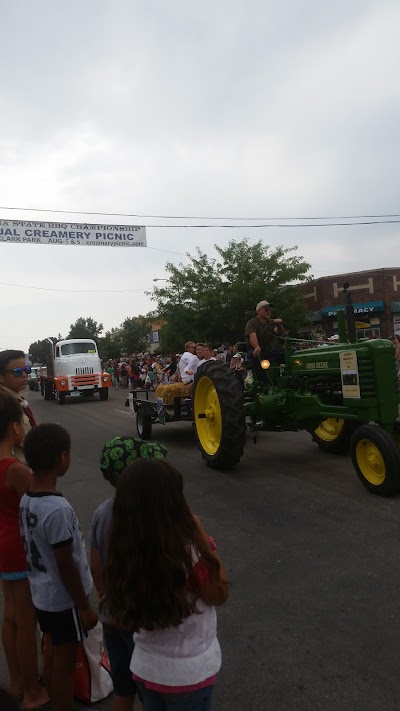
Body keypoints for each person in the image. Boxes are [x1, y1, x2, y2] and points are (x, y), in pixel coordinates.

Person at [104, 459, 229, 711]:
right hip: (189, 674)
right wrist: (205, 541)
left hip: (147, 668)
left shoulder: (125, 550)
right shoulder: (190, 551)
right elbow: (219, 593)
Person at [20, 423, 98, 711]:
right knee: (65, 664)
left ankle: (54, 700)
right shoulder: (57, 509)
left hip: (42, 595)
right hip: (64, 601)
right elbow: (65, 563)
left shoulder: (27, 500)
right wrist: (84, 606)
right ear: (62, 458)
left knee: (52, 650)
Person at [91, 436, 168, 711]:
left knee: (123, 691)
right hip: (138, 619)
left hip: (111, 614)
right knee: (150, 694)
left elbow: (96, 564)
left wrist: (105, 595)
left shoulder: (102, 512)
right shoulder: (146, 514)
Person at [0, 394, 49, 711]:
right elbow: (41, 497)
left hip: (3, 546)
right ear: (15, 428)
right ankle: (32, 691)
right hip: (19, 548)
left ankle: (17, 681)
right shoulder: (14, 469)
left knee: (11, 616)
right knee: (26, 621)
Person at [0, 350, 36, 462]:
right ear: (1, 377)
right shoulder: (4, 405)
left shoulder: (17, 399)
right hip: (16, 474)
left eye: (26, 370)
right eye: (17, 372)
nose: (25, 375)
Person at [244, 300, 285, 381]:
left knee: (288, 353)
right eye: (266, 310)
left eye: (270, 310)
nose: (269, 312)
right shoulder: (252, 323)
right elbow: (252, 336)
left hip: (270, 350)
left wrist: (279, 325)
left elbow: (278, 332)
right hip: (258, 350)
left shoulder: (272, 322)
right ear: (259, 311)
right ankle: (263, 382)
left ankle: (287, 376)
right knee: (255, 356)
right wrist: (256, 347)